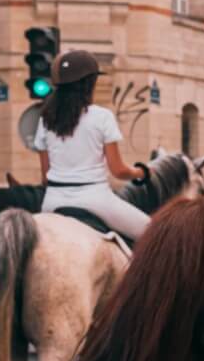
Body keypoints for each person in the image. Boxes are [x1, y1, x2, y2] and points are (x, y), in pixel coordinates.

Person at [32, 50, 151, 242]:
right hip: (96, 200)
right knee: (155, 235)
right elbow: (118, 171)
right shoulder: (102, 117)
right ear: (90, 84)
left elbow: (45, 176)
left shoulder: (46, 120)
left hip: (52, 203)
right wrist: (141, 173)